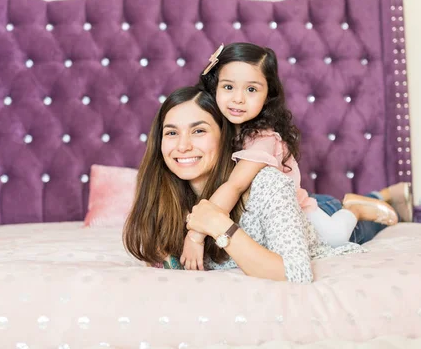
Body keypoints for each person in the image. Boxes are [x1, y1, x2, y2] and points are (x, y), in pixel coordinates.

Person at [179, 43, 400, 270]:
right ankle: (374, 197)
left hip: (299, 209)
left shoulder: (263, 140)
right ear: (214, 87)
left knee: (337, 237)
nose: (238, 99)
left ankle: (356, 208)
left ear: (268, 96)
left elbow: (234, 186)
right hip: (265, 212)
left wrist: (196, 234)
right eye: (228, 87)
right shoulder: (214, 130)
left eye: (251, 90)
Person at [122, 86, 364, 282]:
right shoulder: (162, 193)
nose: (182, 146)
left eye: (198, 131)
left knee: (354, 224)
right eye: (172, 133)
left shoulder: (268, 184)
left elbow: (296, 274)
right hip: (290, 206)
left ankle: (367, 203)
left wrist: (219, 225)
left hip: (318, 216)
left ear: (224, 137)